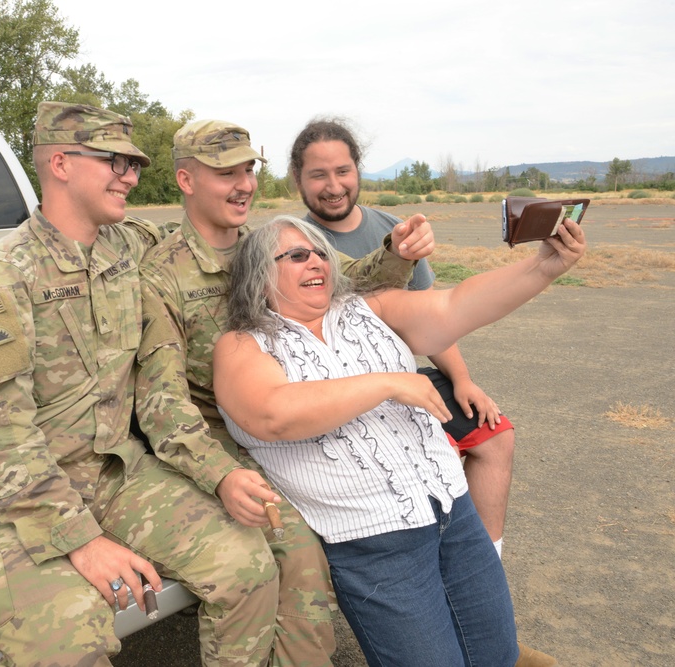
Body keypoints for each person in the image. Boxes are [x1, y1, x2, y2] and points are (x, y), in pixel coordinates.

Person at [0, 102, 280, 667]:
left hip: (116, 473)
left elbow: (209, 246)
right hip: (14, 501)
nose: (132, 176)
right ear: (62, 164)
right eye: (115, 161)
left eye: (136, 164)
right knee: (70, 641)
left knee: (248, 568)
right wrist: (81, 541)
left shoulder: (128, 248)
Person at [212, 215, 586, 667]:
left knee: (498, 656)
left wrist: (544, 266)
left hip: (455, 513)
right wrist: (387, 383)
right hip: (377, 548)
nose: (316, 262)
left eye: (320, 253)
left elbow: (453, 308)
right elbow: (273, 413)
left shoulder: (368, 306)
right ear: (259, 274)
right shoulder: (242, 346)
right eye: (296, 255)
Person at [136, 119, 435, 667]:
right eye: (226, 172)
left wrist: (398, 251)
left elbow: (352, 280)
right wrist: (221, 475)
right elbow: (161, 401)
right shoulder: (162, 277)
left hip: (293, 420)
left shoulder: (271, 243)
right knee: (296, 557)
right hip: (224, 439)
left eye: (249, 169)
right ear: (185, 179)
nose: (244, 184)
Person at [289, 119, 515, 555]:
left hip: (408, 376)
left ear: (358, 171)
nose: (333, 185)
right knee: (420, 459)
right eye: (318, 174)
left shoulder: (394, 229)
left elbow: (430, 319)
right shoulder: (295, 242)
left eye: (343, 171)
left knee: (495, 434)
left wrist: (464, 380)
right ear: (297, 178)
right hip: (344, 387)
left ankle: (487, 559)